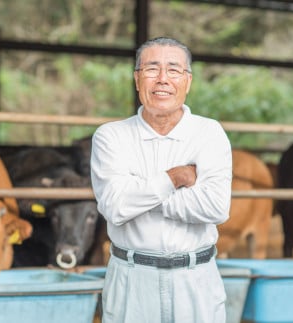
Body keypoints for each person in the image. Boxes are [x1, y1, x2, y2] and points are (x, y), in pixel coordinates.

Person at [90, 36, 233, 323]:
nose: (163, 79)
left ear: (188, 81)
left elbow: (216, 208)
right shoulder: (111, 136)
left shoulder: (209, 133)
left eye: (174, 70)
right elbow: (116, 208)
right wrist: (175, 177)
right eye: (152, 69)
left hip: (196, 278)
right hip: (132, 279)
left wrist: (140, 193)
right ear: (137, 78)